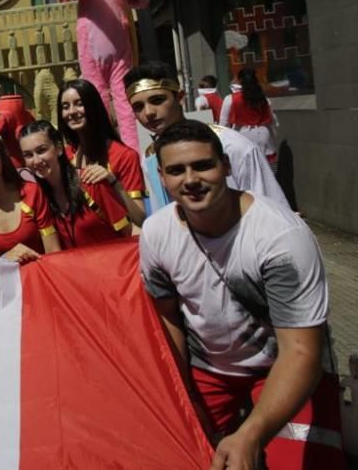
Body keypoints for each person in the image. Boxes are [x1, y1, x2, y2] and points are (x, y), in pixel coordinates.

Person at [139, 120, 341, 469]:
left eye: (203, 165)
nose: (190, 179)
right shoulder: (156, 232)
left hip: (282, 366)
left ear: (226, 165)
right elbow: (168, 316)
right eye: (176, 170)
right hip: (209, 370)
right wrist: (181, 391)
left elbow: (301, 350)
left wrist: (251, 434)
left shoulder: (281, 237)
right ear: (161, 176)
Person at [123, 62, 289, 211]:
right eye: (138, 107)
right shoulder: (150, 157)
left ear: (179, 97)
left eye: (157, 100)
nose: (148, 113)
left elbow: (273, 210)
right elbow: (162, 213)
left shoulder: (231, 145)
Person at [19, 121, 132, 248]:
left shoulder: (91, 182)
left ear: (59, 148)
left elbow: (129, 232)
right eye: (28, 155)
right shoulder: (37, 198)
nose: (36, 161)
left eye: (41, 150)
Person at [58, 79, 147, 227]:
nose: (72, 112)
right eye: (65, 107)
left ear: (94, 106)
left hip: (116, 246)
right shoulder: (64, 157)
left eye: (79, 104)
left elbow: (141, 218)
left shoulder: (124, 156)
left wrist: (112, 181)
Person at [0, 131, 61, 262]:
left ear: (2, 158)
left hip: (40, 276)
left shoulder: (31, 193)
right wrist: (4, 260)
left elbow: (53, 251)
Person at [220, 68, 277, 168]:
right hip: (263, 134)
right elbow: (271, 122)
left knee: (247, 168)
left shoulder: (230, 99)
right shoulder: (263, 99)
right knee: (267, 168)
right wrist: (272, 139)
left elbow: (223, 125)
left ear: (239, 81)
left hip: (243, 134)